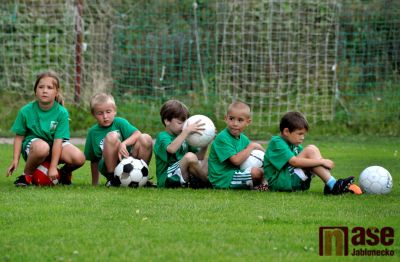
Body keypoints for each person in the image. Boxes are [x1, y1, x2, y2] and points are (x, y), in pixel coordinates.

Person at [7, 71, 85, 186]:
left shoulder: (61, 112)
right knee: (42, 147)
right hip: (35, 148)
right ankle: (26, 176)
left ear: (56, 92)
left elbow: (58, 141)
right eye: (41, 87)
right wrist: (15, 160)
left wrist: (53, 167)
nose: (44, 90)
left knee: (79, 158)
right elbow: (19, 137)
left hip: (54, 145)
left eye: (49, 87)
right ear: (35, 90)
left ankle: (63, 174)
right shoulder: (25, 111)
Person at [263, 111, 356, 194]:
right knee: (310, 150)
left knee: (311, 151)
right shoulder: (277, 142)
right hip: (280, 182)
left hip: (290, 180)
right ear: (286, 131)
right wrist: (322, 161)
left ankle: (332, 185)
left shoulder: (295, 145)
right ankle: (333, 184)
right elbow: (294, 162)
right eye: (300, 134)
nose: (302, 137)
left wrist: (320, 162)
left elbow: (305, 162)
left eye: (303, 134)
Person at [84, 92, 153, 186]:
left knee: (146, 138)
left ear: (114, 111)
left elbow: (137, 134)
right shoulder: (92, 132)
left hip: (128, 159)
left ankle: (141, 178)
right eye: (100, 113)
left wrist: (123, 144)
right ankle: (113, 179)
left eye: (108, 112)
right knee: (112, 136)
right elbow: (94, 161)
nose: (105, 117)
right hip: (107, 166)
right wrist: (94, 183)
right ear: (93, 114)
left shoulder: (120, 122)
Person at [208, 101, 267, 190]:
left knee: (266, 170)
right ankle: (261, 185)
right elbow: (236, 161)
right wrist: (251, 146)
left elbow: (261, 154)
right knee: (256, 173)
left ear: (248, 122)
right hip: (223, 178)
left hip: (235, 172)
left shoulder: (243, 139)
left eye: (240, 120)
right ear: (226, 118)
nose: (235, 124)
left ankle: (262, 184)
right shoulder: (222, 138)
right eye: (231, 119)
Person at [154, 100, 211, 188]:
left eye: (185, 123)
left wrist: (206, 142)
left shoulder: (184, 137)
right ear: (167, 121)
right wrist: (186, 131)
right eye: (180, 123)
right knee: (189, 157)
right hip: (167, 178)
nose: (183, 126)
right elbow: (171, 149)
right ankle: (207, 183)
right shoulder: (163, 136)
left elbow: (199, 158)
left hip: (183, 174)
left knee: (209, 161)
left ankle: (197, 182)